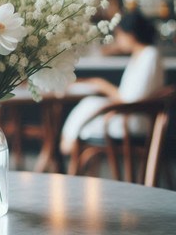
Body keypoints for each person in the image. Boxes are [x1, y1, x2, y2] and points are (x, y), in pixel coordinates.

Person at [61, 10, 164, 154]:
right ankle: (69, 142)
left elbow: (130, 98)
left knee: (89, 108)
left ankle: (69, 144)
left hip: (133, 120)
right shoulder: (140, 55)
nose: (118, 39)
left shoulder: (149, 56)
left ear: (131, 34)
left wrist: (103, 85)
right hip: (128, 114)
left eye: (119, 35)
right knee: (89, 105)